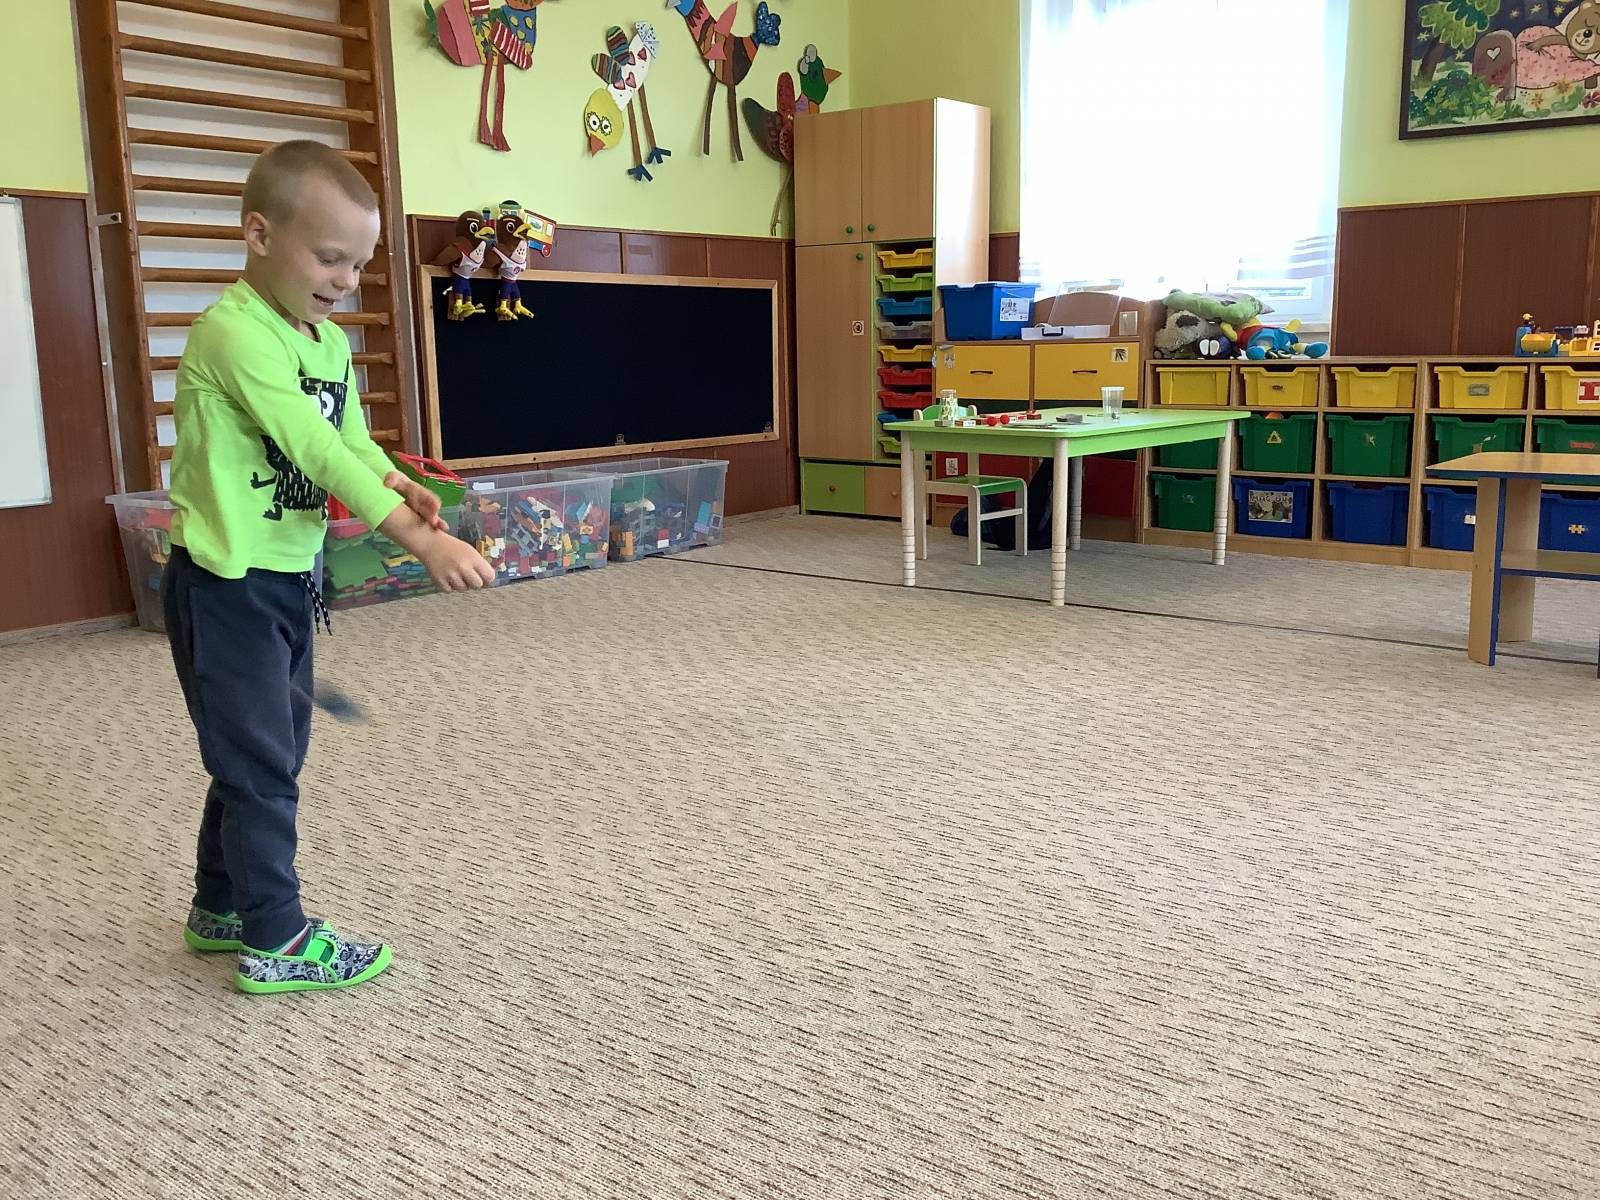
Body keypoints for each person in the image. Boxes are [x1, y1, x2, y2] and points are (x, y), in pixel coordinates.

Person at [163, 140, 495, 994]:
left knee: (266, 752)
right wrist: (421, 542)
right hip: (225, 584)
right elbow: (311, 448)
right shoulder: (234, 334)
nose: (346, 280)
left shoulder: (327, 343)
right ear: (259, 235)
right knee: (258, 765)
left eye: (358, 264)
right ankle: (276, 938)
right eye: (329, 258)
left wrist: (397, 480)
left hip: (287, 579)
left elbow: (348, 440)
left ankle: (219, 906)